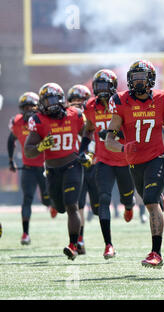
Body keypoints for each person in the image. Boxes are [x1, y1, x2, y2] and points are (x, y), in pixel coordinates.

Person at [105, 60, 164, 268]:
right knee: (150, 197)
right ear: (129, 80)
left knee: (149, 202)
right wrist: (122, 148)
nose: (138, 82)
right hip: (134, 161)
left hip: (156, 157)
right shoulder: (120, 102)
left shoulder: (163, 100)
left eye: (142, 78)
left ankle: (156, 253)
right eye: (135, 78)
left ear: (151, 80)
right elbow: (109, 140)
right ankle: (158, 196)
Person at [24, 83, 86, 260]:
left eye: (53, 99)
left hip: (72, 166)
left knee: (72, 205)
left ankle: (73, 245)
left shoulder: (75, 114)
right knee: (59, 207)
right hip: (52, 170)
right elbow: (28, 149)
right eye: (47, 100)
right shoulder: (38, 120)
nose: (51, 103)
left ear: (61, 99)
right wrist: (42, 145)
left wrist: (87, 152)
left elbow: (88, 134)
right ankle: (74, 240)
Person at [81, 69, 138, 259]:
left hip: (124, 159)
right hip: (103, 160)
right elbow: (88, 130)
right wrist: (83, 150)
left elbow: (131, 128)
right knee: (103, 198)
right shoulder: (90, 106)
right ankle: (108, 245)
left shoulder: (122, 102)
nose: (102, 90)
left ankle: (129, 206)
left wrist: (117, 135)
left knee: (127, 197)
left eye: (106, 86)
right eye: (99, 86)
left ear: (113, 86)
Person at [8, 92, 52, 245]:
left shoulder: (42, 119)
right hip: (28, 167)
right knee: (27, 198)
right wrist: (10, 160)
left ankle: (51, 204)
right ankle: (25, 233)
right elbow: (10, 140)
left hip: (44, 165)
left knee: (46, 199)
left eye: (31, 106)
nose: (28, 110)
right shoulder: (17, 122)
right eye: (25, 107)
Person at [66, 84, 97, 255]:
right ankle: (79, 240)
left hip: (94, 164)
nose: (77, 104)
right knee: (78, 204)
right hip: (76, 165)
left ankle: (108, 241)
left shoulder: (91, 115)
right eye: (74, 101)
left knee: (100, 205)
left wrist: (91, 154)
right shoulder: (67, 117)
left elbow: (94, 138)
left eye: (81, 101)